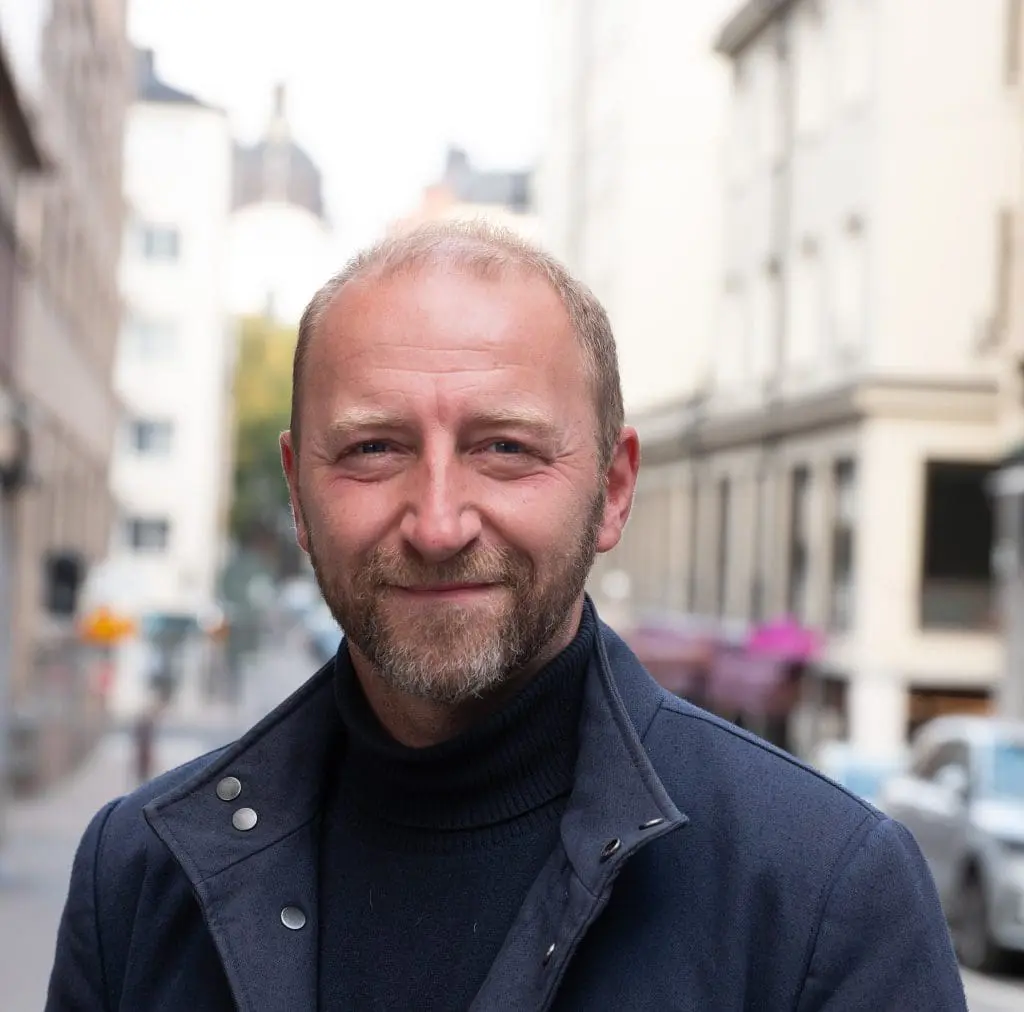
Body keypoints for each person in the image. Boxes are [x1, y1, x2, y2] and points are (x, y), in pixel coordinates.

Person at [46, 221, 967, 1010]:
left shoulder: (824, 897)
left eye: (505, 448)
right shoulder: (140, 876)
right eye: (373, 449)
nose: (438, 523)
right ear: (297, 492)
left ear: (613, 490)